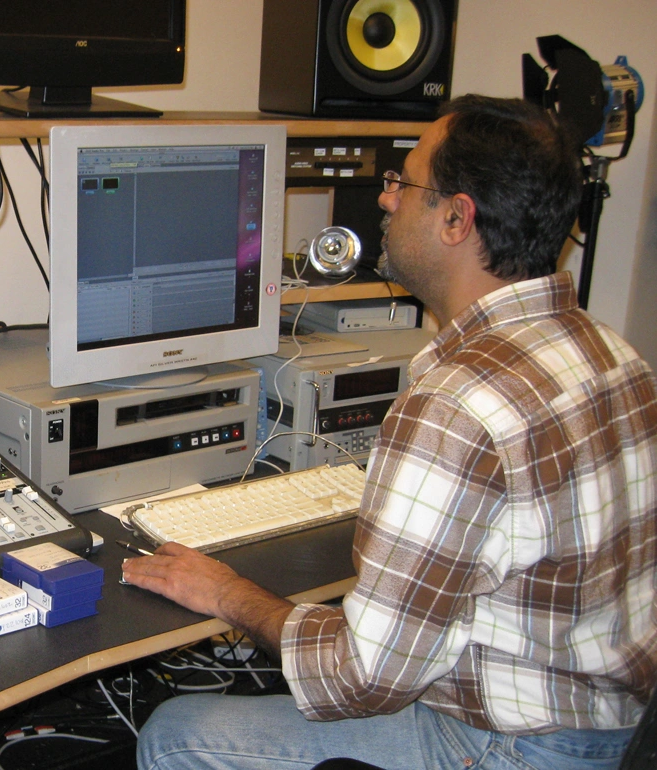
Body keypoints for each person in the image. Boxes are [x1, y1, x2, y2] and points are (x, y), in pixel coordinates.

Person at [122, 94, 657, 770]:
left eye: (402, 182)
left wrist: (227, 591)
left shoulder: (459, 403)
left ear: (457, 218)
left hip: (506, 749)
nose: (385, 200)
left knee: (176, 733)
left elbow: (363, 677)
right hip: (614, 727)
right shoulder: (612, 352)